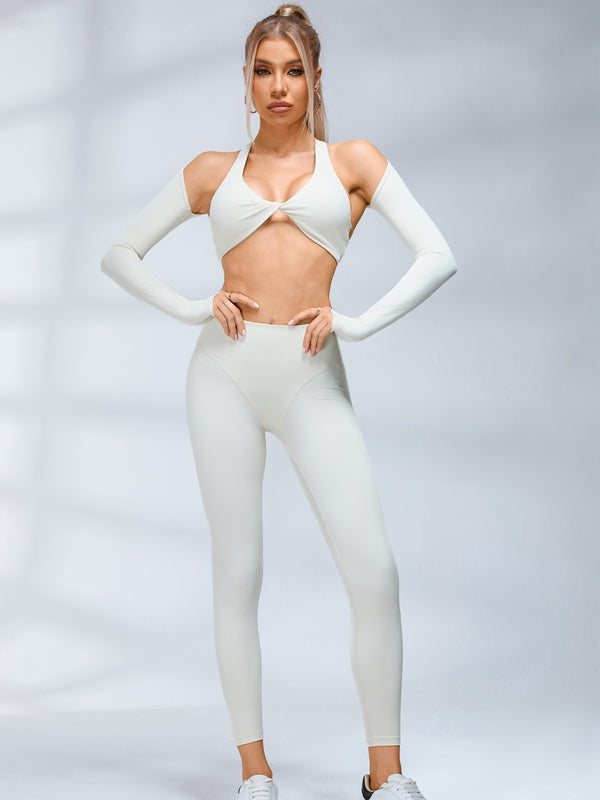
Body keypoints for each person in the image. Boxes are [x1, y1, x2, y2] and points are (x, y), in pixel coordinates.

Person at [100, 5, 456, 799]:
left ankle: (386, 775)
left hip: (310, 377)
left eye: (293, 70)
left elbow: (438, 254)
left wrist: (356, 323)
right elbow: (119, 252)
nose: (278, 85)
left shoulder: (353, 162)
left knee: (374, 571)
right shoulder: (211, 171)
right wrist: (192, 306)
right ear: (246, 80)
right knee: (239, 573)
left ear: (317, 79)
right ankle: (254, 771)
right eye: (263, 70)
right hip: (222, 375)